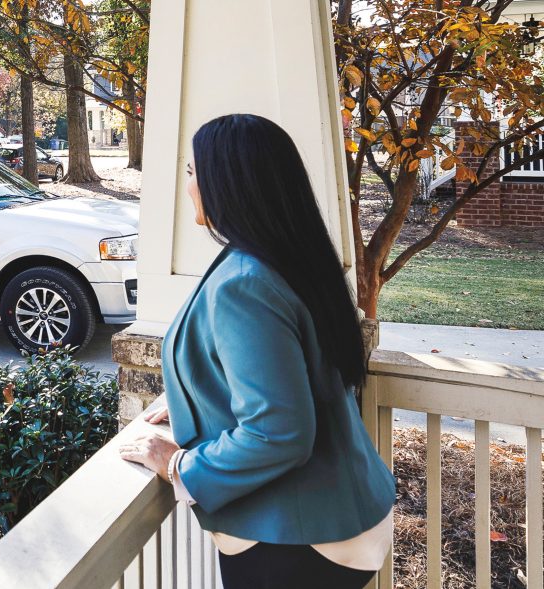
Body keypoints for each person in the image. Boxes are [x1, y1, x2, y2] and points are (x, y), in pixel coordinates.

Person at [118, 114, 396, 589]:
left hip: (300, 539)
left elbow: (278, 431)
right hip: (338, 516)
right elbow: (290, 373)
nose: (187, 186)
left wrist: (178, 465)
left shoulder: (246, 283)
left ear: (228, 182)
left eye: (191, 172)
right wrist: (190, 400)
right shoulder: (289, 259)